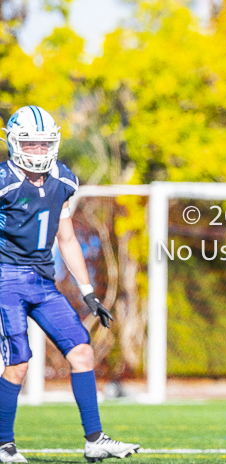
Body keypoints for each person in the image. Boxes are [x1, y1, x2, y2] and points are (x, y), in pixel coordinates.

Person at [0, 106, 140, 464]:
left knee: (81, 351)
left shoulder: (61, 179)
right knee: (18, 362)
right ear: (15, 143)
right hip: (7, 278)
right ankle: (3, 444)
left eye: (44, 143)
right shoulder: (4, 181)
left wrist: (88, 290)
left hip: (43, 280)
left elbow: (66, 238)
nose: (39, 151)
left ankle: (94, 440)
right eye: (30, 144)